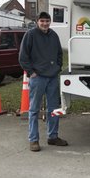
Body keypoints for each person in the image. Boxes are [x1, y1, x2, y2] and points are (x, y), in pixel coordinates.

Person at [19, 11, 67, 152]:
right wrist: (31, 72)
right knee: (34, 110)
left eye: (47, 21)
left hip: (52, 77)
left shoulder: (53, 35)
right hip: (37, 77)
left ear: (50, 22)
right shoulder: (30, 35)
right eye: (42, 21)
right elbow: (23, 57)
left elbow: (59, 53)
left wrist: (57, 67)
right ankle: (33, 140)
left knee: (55, 109)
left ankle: (53, 136)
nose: (45, 24)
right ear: (37, 21)